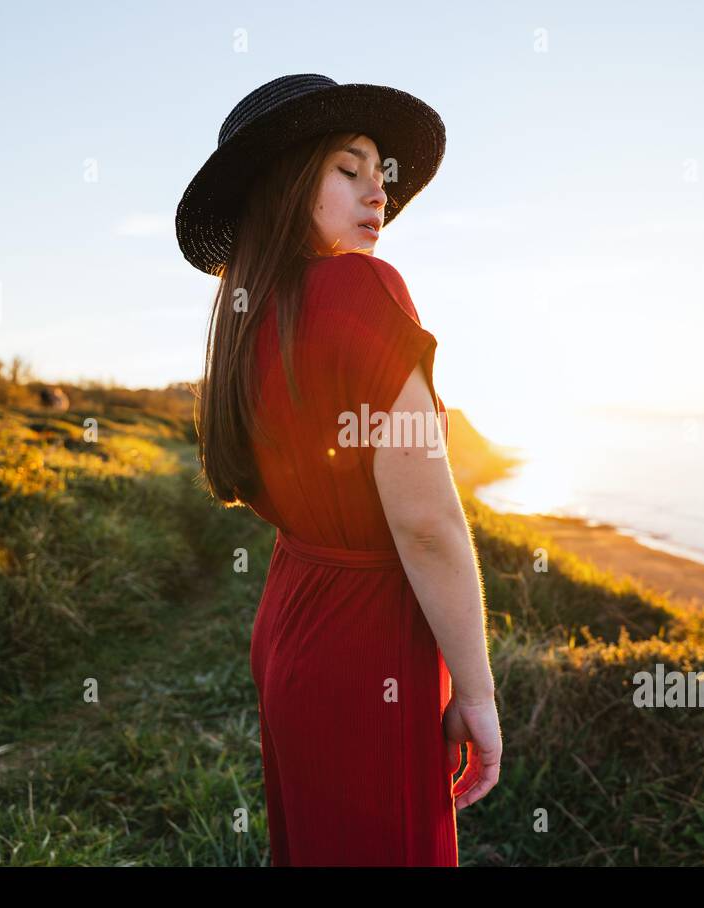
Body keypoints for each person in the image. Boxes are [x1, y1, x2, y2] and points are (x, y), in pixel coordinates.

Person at [175, 74, 501, 866]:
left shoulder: (249, 326)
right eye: (348, 170)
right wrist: (479, 691)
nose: (377, 192)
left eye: (381, 173)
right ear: (287, 183)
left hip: (292, 624)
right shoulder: (365, 289)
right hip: (367, 646)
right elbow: (426, 523)